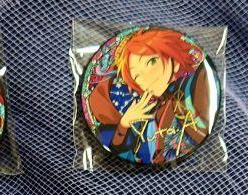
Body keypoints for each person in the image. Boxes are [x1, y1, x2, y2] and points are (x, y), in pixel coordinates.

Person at [87, 27, 211, 164]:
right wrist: (124, 123)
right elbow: (116, 147)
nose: (146, 78)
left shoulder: (198, 80)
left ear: (174, 61)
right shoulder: (153, 109)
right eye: (136, 76)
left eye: (151, 62)